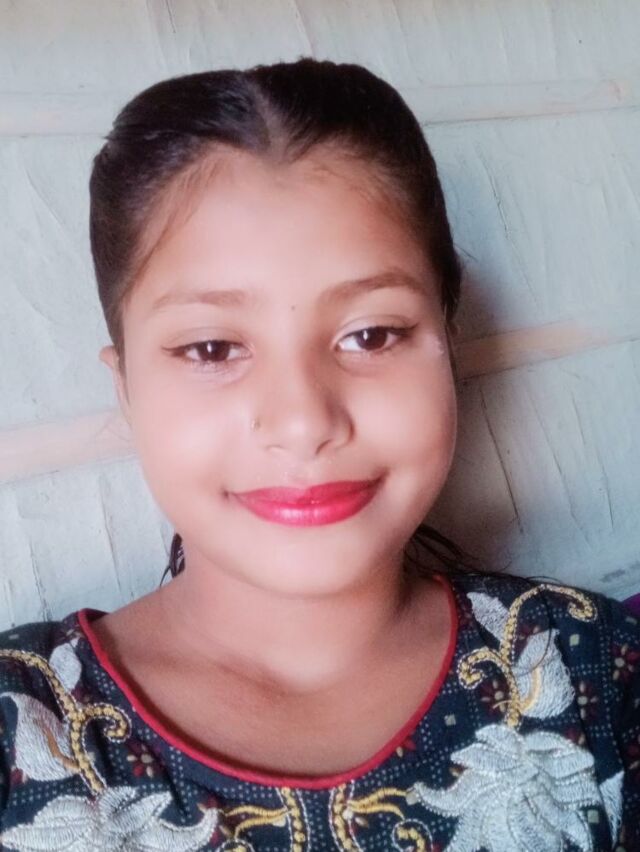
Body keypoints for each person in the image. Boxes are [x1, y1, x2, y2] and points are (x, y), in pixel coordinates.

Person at [0, 57, 638, 852]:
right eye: (211, 348)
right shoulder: (20, 727)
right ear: (125, 387)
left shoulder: (592, 666)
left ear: (448, 347)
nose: (304, 423)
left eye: (371, 334)